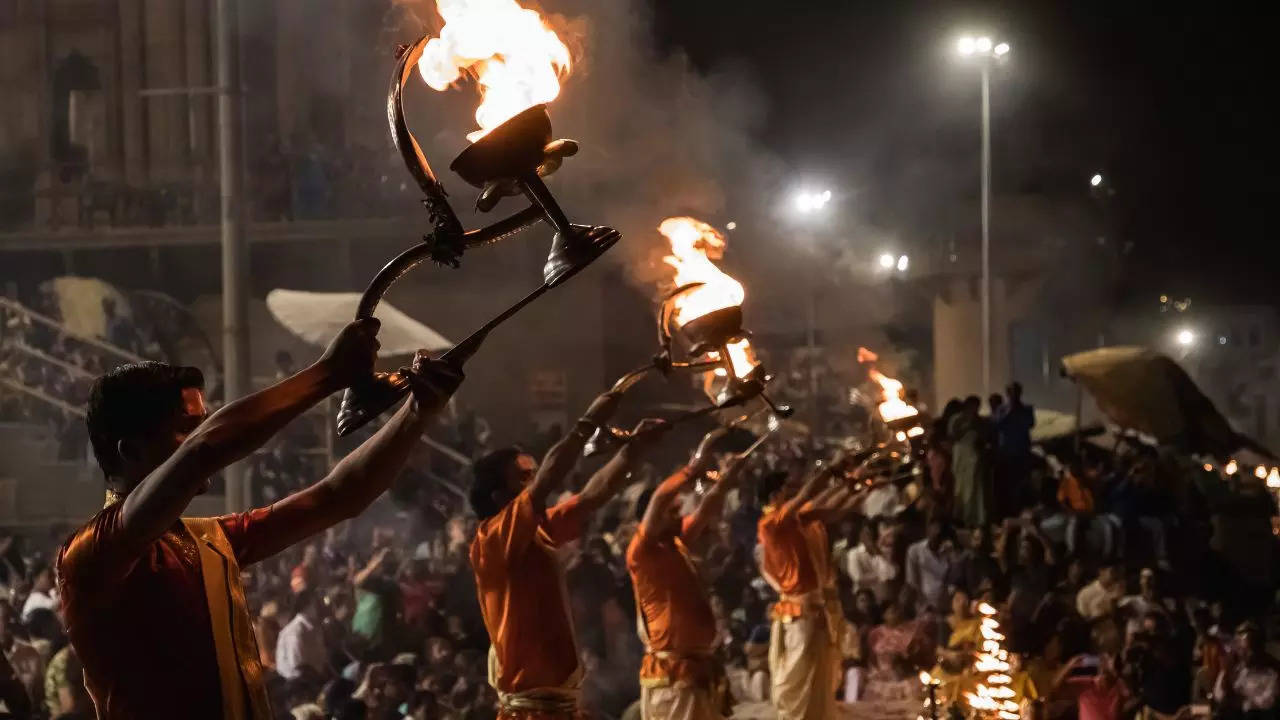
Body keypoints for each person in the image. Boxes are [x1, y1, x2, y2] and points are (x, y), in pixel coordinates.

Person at [56, 319, 463, 719]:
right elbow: (204, 451)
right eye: (187, 428)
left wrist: (418, 411)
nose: (203, 434)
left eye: (203, 423)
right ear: (131, 451)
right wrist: (325, 374)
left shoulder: (210, 540)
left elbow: (337, 496)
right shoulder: (92, 553)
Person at [468, 387, 668, 720]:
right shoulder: (492, 540)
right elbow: (549, 478)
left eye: (534, 474)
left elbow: (593, 495)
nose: (534, 482)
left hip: (560, 706)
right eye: (524, 477)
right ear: (499, 495)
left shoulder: (539, 529)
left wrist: (635, 449)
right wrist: (588, 421)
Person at [627, 429, 746, 720]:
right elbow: (657, 500)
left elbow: (706, 509)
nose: (679, 516)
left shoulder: (676, 543)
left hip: (697, 669)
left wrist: (728, 478)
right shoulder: (641, 552)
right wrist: (693, 466)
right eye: (673, 512)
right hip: (672, 674)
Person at [757, 457, 862, 720]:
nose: (796, 492)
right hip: (798, 612)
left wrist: (855, 486)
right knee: (800, 677)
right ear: (777, 494)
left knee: (819, 676)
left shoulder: (799, 519)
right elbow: (810, 494)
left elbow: (831, 509)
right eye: (790, 489)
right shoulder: (772, 523)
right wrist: (831, 471)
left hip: (816, 609)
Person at [1215, 621, 1279, 718]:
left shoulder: (1272, 672)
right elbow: (1219, 695)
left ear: (1260, 647)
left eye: (1249, 649)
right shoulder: (1233, 669)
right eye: (1241, 649)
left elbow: (1267, 702)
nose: (1245, 654)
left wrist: (1243, 701)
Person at [950, 396, 993, 528]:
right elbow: (953, 436)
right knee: (961, 488)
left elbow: (984, 437)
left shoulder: (979, 421)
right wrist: (968, 426)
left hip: (973, 457)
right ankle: (960, 517)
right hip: (961, 456)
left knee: (974, 488)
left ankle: (974, 518)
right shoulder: (957, 419)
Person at [904, 516, 955, 613]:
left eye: (939, 534)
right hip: (924, 606)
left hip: (946, 603)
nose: (936, 535)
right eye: (934, 531)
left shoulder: (949, 550)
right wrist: (923, 604)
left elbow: (952, 578)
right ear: (928, 531)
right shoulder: (915, 550)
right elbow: (912, 582)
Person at [276, 589, 328, 681]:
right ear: (306, 607)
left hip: (316, 677)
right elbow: (299, 667)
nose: (322, 606)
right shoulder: (295, 632)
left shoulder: (315, 626)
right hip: (300, 684)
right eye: (317, 603)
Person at [844, 519, 897, 604]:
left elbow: (893, 573)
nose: (869, 537)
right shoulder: (854, 554)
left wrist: (878, 554)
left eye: (871, 534)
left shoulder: (883, 551)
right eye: (866, 534)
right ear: (861, 535)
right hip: (866, 602)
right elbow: (859, 579)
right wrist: (882, 575)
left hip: (886, 600)